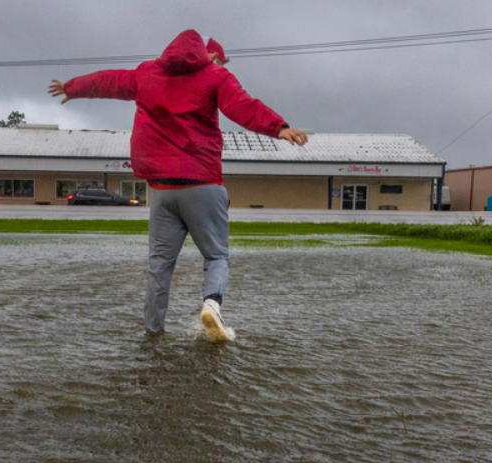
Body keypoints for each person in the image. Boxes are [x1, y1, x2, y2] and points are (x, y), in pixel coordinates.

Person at [50, 30, 308, 342]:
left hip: (162, 190)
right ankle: (211, 304)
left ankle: (153, 333)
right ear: (206, 54)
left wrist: (72, 88)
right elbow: (242, 105)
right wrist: (278, 127)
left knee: (159, 267)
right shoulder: (216, 77)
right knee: (216, 256)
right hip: (202, 184)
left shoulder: (147, 73)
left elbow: (111, 81)